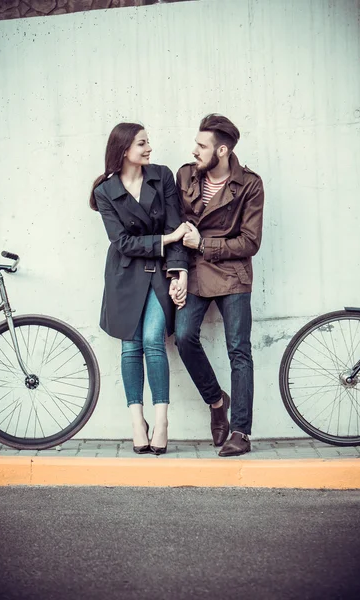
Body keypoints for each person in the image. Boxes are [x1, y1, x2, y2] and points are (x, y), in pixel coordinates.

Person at [90, 123, 188, 455]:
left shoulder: (162, 176)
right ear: (123, 150)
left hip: (160, 273)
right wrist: (165, 239)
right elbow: (122, 241)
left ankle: (161, 422)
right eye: (142, 143)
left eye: (148, 142)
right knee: (130, 346)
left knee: (151, 339)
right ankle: (137, 421)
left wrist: (178, 272)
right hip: (125, 276)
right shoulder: (105, 191)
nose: (149, 148)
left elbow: (176, 225)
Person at [171, 114, 264, 456]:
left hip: (233, 273)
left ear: (221, 150)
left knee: (239, 350)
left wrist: (206, 246)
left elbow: (250, 242)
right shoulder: (184, 176)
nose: (194, 150)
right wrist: (177, 270)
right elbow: (176, 225)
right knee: (183, 337)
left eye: (201, 145)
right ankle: (216, 400)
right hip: (194, 271)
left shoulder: (250, 184)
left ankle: (241, 431)